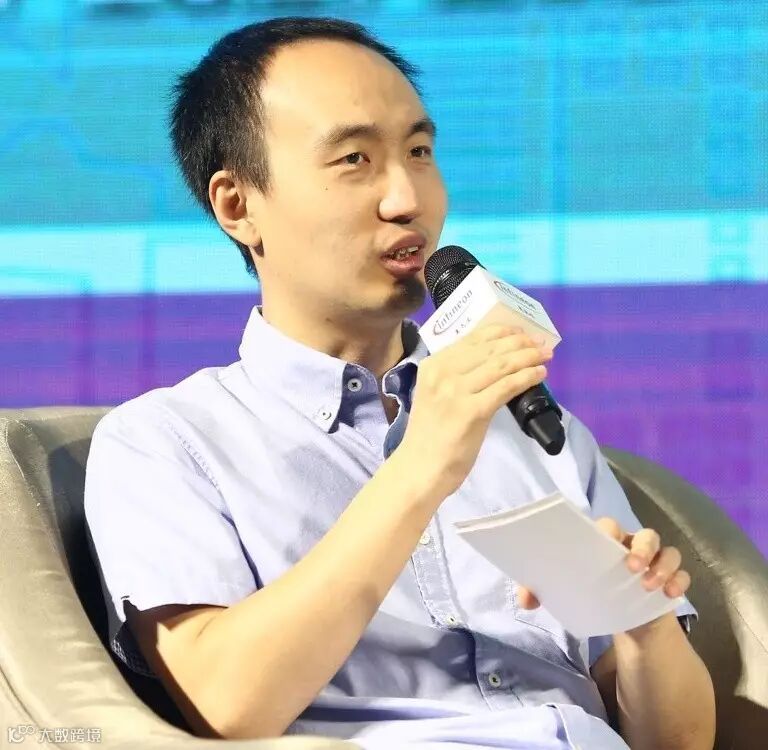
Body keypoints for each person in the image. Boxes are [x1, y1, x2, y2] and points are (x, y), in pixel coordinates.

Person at [84, 16, 715, 750]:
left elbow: (679, 743)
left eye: (419, 152)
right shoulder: (165, 442)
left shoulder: (537, 427)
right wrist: (422, 467)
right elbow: (227, 706)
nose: (406, 199)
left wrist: (641, 623)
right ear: (238, 205)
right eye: (354, 159)